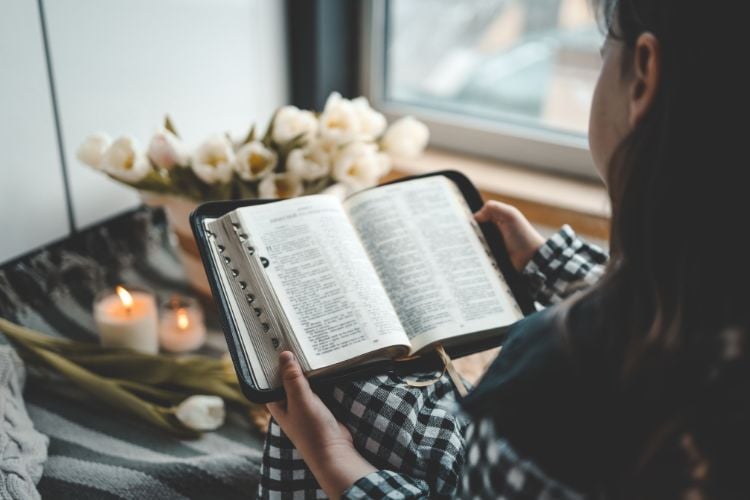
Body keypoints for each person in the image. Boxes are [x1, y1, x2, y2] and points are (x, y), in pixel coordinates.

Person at [261, 0, 749, 497]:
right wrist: (545, 261)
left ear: (644, 74)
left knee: (342, 388)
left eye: (605, 51)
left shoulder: (550, 376)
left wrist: (332, 459)